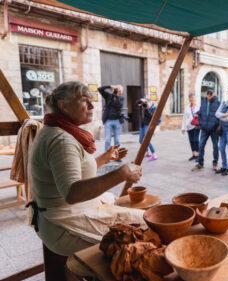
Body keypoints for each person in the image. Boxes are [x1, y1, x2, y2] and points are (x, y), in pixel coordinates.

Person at [29, 81, 145, 256]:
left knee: (139, 217)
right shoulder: (62, 140)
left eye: (91, 100)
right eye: (84, 100)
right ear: (63, 106)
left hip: (57, 216)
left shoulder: (57, 130)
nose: (92, 105)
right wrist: (122, 173)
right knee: (145, 228)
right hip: (63, 225)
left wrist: (104, 159)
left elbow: (72, 172)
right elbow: (72, 192)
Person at [192, 88, 220, 171]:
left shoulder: (218, 103)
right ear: (205, 93)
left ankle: (215, 163)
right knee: (201, 146)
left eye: (211, 93)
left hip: (214, 129)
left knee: (215, 147)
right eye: (207, 93)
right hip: (204, 129)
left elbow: (218, 116)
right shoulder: (203, 102)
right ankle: (200, 163)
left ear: (214, 94)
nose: (209, 94)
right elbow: (200, 113)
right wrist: (201, 123)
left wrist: (214, 124)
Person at [98, 84, 124, 154]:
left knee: (117, 140)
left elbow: (119, 105)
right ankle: (106, 156)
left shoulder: (121, 98)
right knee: (107, 140)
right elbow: (99, 89)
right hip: (108, 121)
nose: (117, 91)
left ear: (121, 91)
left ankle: (117, 155)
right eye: (116, 89)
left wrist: (116, 96)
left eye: (119, 90)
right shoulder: (108, 96)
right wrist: (109, 86)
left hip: (117, 121)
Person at [181, 93, 200, 161]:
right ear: (189, 99)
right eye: (190, 98)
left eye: (193, 98)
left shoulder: (198, 107)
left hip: (196, 126)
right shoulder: (187, 107)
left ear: (195, 99)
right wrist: (183, 127)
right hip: (189, 126)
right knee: (191, 141)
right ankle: (193, 154)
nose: (191, 99)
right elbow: (184, 118)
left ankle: (198, 155)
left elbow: (201, 116)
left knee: (195, 140)